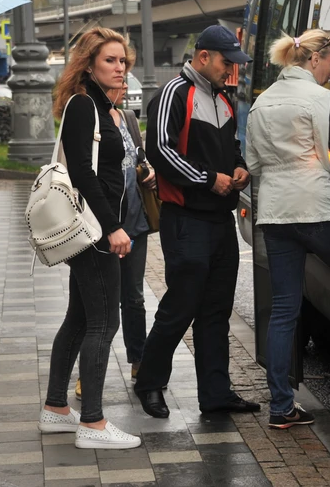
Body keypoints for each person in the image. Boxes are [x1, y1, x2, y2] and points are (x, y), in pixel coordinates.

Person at [245, 30, 330, 429]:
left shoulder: (261, 103)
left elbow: (253, 164)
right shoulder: (320, 100)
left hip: (274, 213)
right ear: (315, 60)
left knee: (285, 309)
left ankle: (281, 406)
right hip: (320, 209)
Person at [134, 25, 259, 419]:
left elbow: (232, 147)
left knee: (216, 310)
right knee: (180, 307)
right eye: (227, 62)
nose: (231, 71)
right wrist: (210, 178)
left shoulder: (221, 97)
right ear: (203, 57)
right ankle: (150, 384)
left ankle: (216, 393)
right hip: (186, 220)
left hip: (219, 221)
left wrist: (239, 168)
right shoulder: (174, 93)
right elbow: (159, 150)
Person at [38, 26, 141, 450]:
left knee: (79, 319)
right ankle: (93, 425)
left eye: (123, 61)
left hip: (96, 228)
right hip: (96, 230)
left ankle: (57, 409)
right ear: (89, 65)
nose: (120, 68)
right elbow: (82, 171)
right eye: (110, 61)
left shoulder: (101, 105)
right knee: (105, 321)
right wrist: (112, 227)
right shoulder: (84, 104)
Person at [74, 78, 156, 399]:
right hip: (101, 226)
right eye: (116, 76)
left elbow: (140, 159)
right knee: (97, 307)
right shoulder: (91, 116)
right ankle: (88, 375)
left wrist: (147, 172)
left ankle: (139, 361)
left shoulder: (131, 119)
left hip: (134, 223)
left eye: (124, 74)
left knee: (134, 298)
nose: (122, 83)